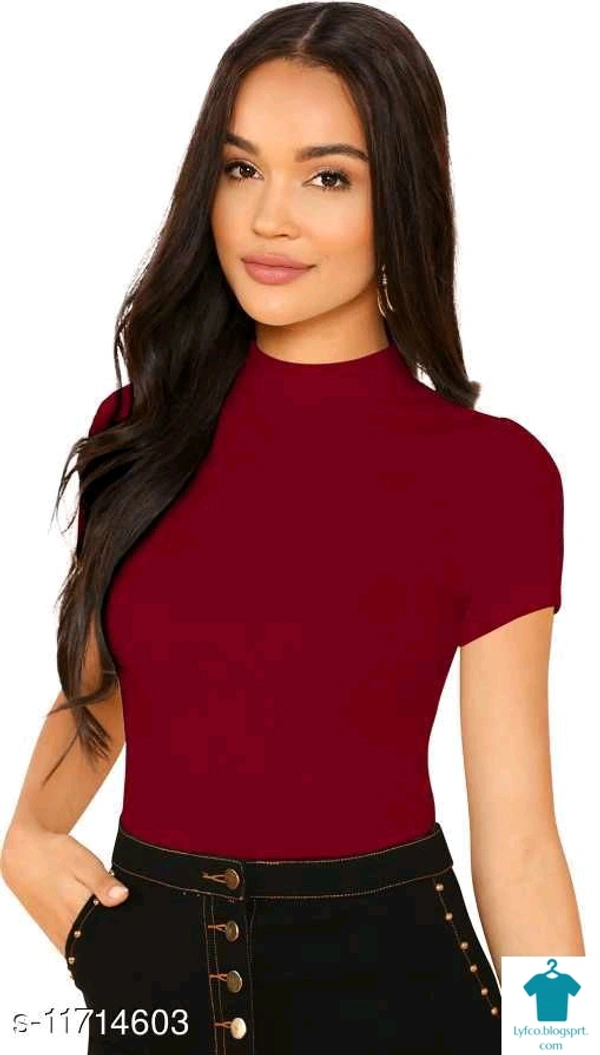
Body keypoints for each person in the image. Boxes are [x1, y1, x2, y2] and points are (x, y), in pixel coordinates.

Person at [1, 3, 584, 1053]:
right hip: (154, 993)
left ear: (400, 197)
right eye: (241, 169)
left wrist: (566, 1044)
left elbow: (523, 846)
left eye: (328, 178)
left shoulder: (494, 475)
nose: (270, 218)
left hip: (398, 998)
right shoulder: (136, 434)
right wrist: (27, 845)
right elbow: (101, 693)